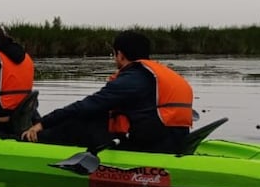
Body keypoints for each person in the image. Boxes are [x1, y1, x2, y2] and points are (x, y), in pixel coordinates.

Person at [21, 30, 194, 153]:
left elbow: (86, 106)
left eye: (114, 54)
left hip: (151, 145)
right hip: (173, 138)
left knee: (76, 122)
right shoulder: (158, 74)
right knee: (97, 117)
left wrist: (43, 124)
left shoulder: (131, 79)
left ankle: (29, 142)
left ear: (120, 55)